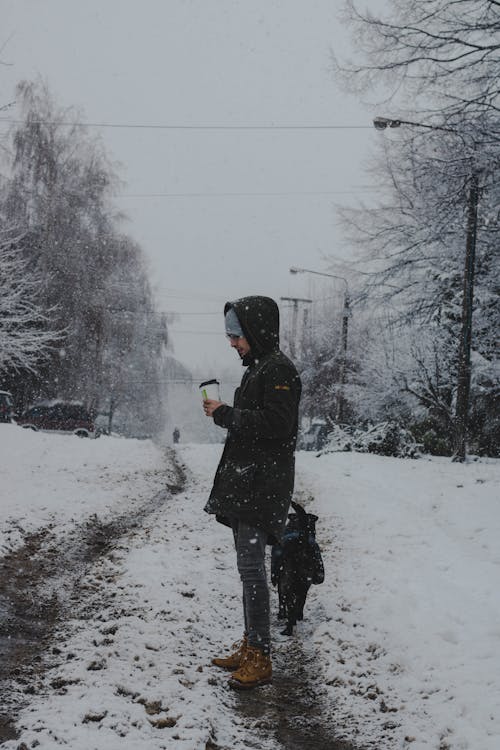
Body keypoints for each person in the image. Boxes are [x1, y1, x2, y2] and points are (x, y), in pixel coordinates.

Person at [203, 296, 301, 689]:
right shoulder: (261, 367)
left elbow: (278, 425)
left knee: (252, 571)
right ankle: (251, 645)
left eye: (236, 335)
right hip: (249, 484)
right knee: (248, 572)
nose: (233, 343)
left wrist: (227, 414)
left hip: (262, 487)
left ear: (255, 332)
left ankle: (260, 655)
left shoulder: (278, 370)